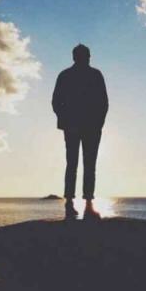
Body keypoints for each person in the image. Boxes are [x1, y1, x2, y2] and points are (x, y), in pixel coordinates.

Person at [52, 44, 108, 220]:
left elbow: (103, 103)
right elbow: (56, 102)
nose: (86, 59)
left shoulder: (69, 75)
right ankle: (80, 205)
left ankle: (78, 204)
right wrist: (68, 121)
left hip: (84, 127)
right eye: (85, 56)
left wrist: (97, 123)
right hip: (80, 127)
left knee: (77, 165)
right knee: (82, 165)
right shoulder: (88, 75)